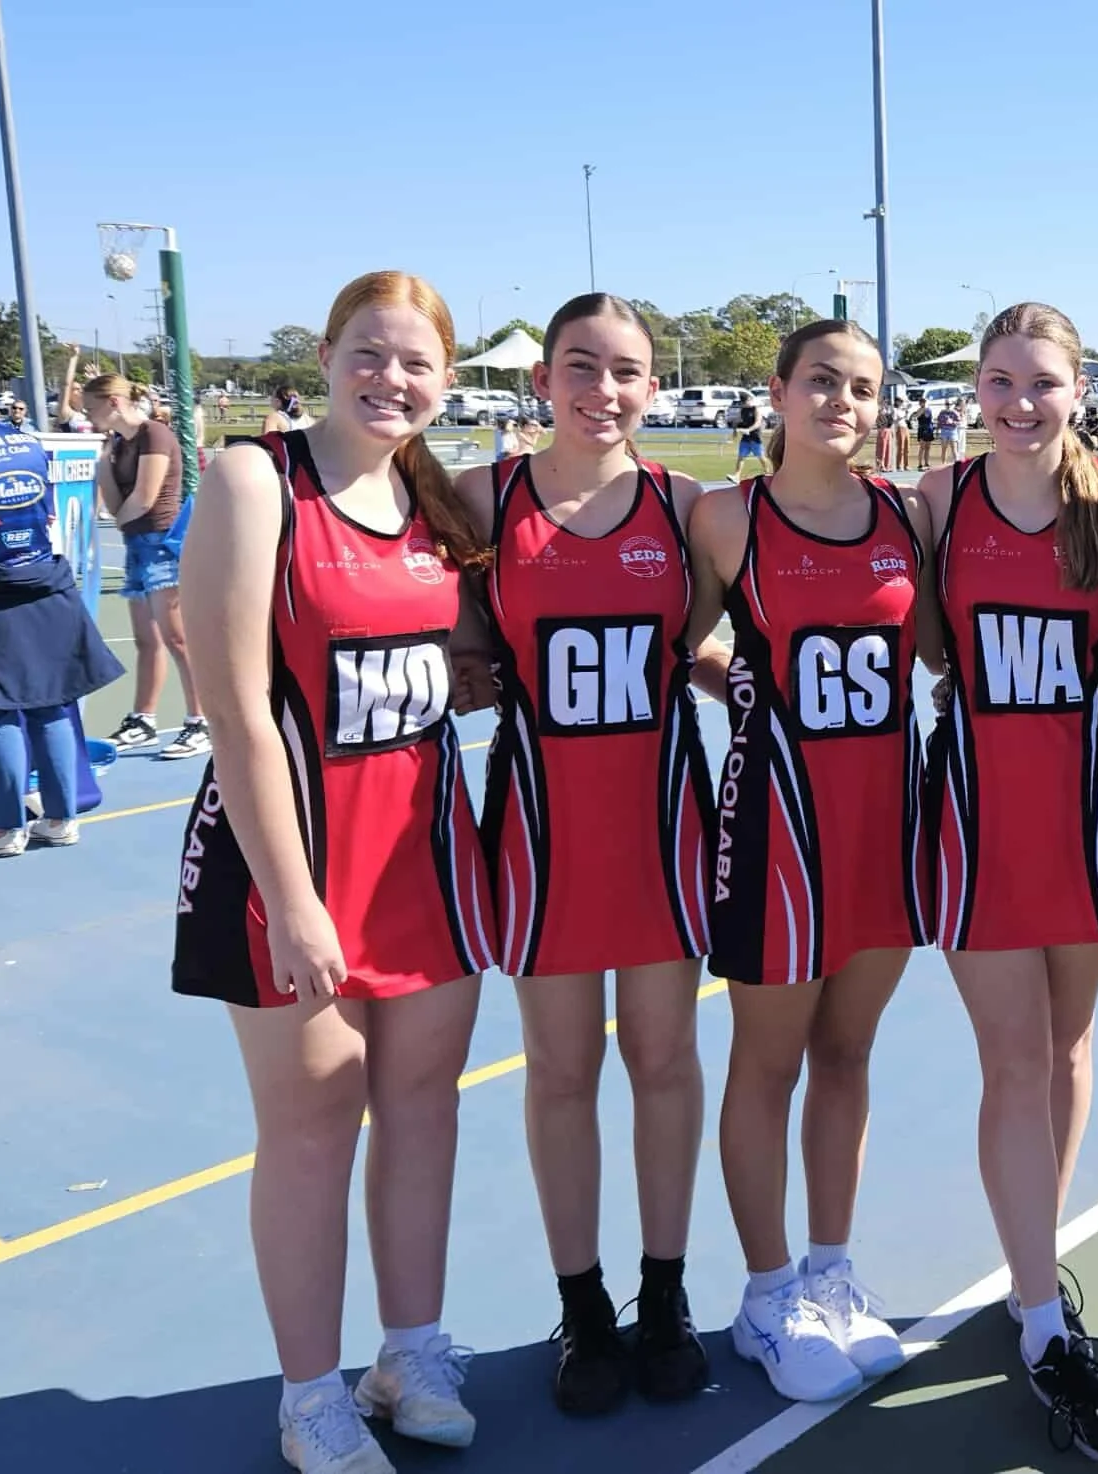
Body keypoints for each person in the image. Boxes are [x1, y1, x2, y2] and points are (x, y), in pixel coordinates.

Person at [172, 270, 495, 1474]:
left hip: (424, 851)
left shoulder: (432, 499)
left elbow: (448, 659)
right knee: (312, 1125)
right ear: (326, 351)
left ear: (445, 378)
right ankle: (309, 1392)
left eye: (415, 362)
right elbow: (237, 706)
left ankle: (409, 1349)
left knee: (424, 1108)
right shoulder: (256, 478)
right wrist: (296, 898)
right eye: (370, 353)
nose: (390, 378)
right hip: (292, 857)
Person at [451, 294, 720, 1417]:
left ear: (651, 387)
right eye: (578, 366)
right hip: (541, 831)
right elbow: (466, 648)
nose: (599, 390)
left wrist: (742, 679)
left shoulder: (689, 505)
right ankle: (583, 1307)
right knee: (560, 1071)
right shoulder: (481, 496)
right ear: (543, 379)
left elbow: (700, 643)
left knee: (662, 1059)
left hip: (660, 826)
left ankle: (666, 1295)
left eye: (624, 371)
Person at [917, 302, 1098, 1462]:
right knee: (1012, 1056)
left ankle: (1032, 1262)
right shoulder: (936, 501)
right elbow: (918, 644)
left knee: (1067, 1049)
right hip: (972, 811)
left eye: (1043, 382)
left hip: (1081, 804)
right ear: (976, 387)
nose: (1021, 402)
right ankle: (1037, 1312)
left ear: (1077, 388)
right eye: (1001, 381)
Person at [685, 319, 927, 1404]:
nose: (841, 400)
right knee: (767, 1063)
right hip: (776, 833)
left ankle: (831, 1272)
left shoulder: (906, 517)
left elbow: (936, 646)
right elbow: (679, 638)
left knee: (846, 1058)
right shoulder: (728, 518)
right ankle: (766, 1292)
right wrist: (740, 688)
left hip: (885, 827)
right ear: (777, 392)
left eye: (862, 387)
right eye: (820, 380)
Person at [0, 418, 124, 854]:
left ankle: (7, 826)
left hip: (2, 589)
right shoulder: (28, 443)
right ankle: (60, 818)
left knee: (1, 713)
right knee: (50, 704)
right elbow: (49, 512)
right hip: (44, 577)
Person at [81, 373, 208, 760]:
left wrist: (118, 520)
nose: (87, 416)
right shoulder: (119, 444)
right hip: (136, 543)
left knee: (179, 639)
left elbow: (145, 497)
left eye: (92, 408)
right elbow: (115, 497)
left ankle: (200, 721)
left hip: (162, 544)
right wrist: (103, 458)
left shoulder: (155, 434)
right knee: (146, 640)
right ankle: (143, 720)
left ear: (114, 403)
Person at [732, 393, 769, 481]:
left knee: (761, 457)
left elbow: (758, 423)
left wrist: (749, 429)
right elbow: (736, 420)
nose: (744, 404)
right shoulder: (743, 410)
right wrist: (735, 429)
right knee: (741, 457)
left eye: (746, 401)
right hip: (746, 437)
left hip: (755, 436)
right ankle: (737, 476)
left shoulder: (756, 409)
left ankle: (767, 473)